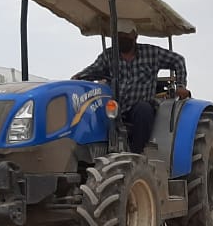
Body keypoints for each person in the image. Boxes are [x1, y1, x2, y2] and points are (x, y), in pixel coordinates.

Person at [72, 19, 191, 154]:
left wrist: (180, 85)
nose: (122, 39)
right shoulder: (109, 56)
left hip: (140, 108)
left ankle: (135, 154)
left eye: (126, 36)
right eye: (119, 36)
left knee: (143, 109)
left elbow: (178, 60)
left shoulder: (151, 53)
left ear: (135, 36)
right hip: (115, 108)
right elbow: (93, 70)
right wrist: (77, 78)